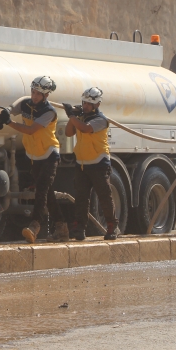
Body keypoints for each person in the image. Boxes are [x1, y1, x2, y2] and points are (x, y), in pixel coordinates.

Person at [0, 76, 68, 244]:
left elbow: (30, 130)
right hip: (34, 155)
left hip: (50, 154)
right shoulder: (25, 103)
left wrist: (9, 122)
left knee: (41, 190)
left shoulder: (49, 112)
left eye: (38, 94)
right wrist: (4, 114)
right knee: (47, 194)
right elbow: (12, 109)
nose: (34, 96)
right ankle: (62, 228)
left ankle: (34, 226)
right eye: (33, 92)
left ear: (46, 95)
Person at [63, 87, 119, 241]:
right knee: (81, 199)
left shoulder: (101, 120)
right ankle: (79, 229)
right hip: (82, 164)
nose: (85, 106)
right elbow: (69, 133)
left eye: (89, 103)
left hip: (99, 163)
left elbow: (86, 129)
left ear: (97, 105)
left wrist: (72, 116)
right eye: (84, 102)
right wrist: (72, 117)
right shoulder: (80, 118)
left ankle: (112, 227)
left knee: (104, 197)